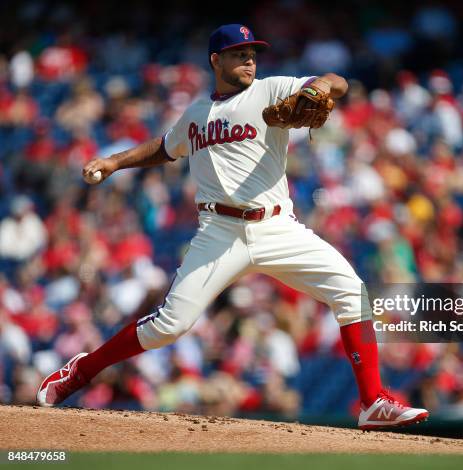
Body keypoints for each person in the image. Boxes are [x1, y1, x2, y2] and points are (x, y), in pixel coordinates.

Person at [36, 24, 428, 430]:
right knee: (172, 325)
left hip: (277, 227)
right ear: (215, 60)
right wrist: (114, 162)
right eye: (239, 53)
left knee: (352, 292)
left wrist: (322, 89)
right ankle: (81, 370)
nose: (249, 60)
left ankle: (373, 401)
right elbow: (165, 148)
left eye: (252, 53)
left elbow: (336, 82)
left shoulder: (272, 89)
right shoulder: (196, 113)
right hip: (219, 232)